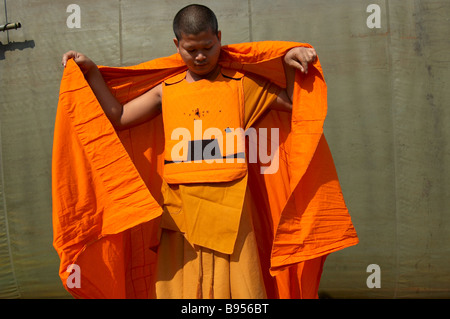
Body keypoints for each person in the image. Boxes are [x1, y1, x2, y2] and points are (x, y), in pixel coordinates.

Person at [57, 4, 357, 299]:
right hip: (180, 214)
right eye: (191, 49)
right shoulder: (167, 90)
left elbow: (293, 104)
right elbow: (119, 117)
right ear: (177, 45)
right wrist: (91, 71)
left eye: (208, 47)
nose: (200, 56)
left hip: (233, 211)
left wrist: (288, 60)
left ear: (219, 38)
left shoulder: (241, 86)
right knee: (179, 290)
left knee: (242, 291)